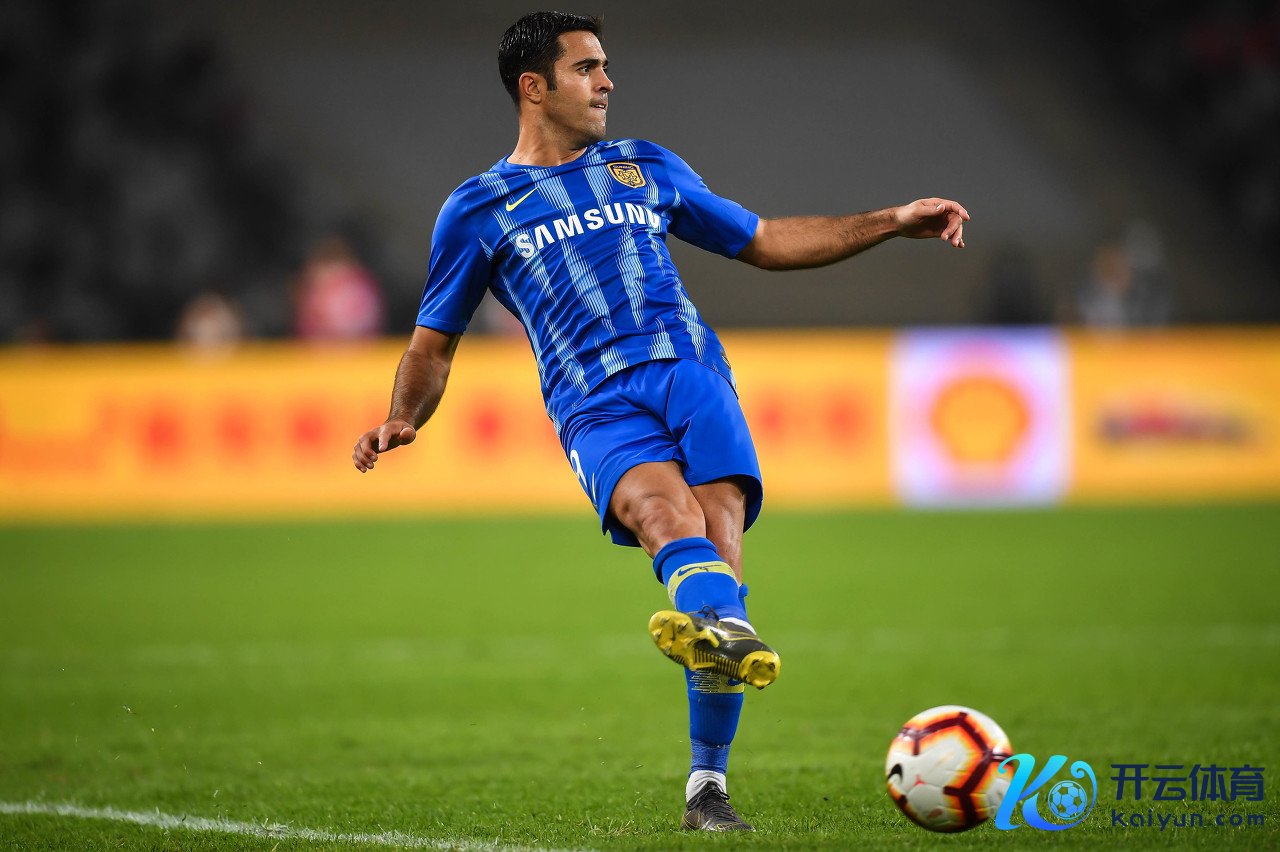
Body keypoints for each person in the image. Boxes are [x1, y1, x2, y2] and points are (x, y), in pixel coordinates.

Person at [352, 11, 969, 833]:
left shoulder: (643, 166)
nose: (607, 82)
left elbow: (764, 240)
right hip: (593, 402)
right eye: (587, 68)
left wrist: (890, 221)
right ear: (533, 87)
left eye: (605, 66)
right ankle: (717, 649)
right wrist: (403, 416)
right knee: (661, 519)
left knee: (717, 563)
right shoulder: (476, 209)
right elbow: (433, 343)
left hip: (692, 374)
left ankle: (706, 786)